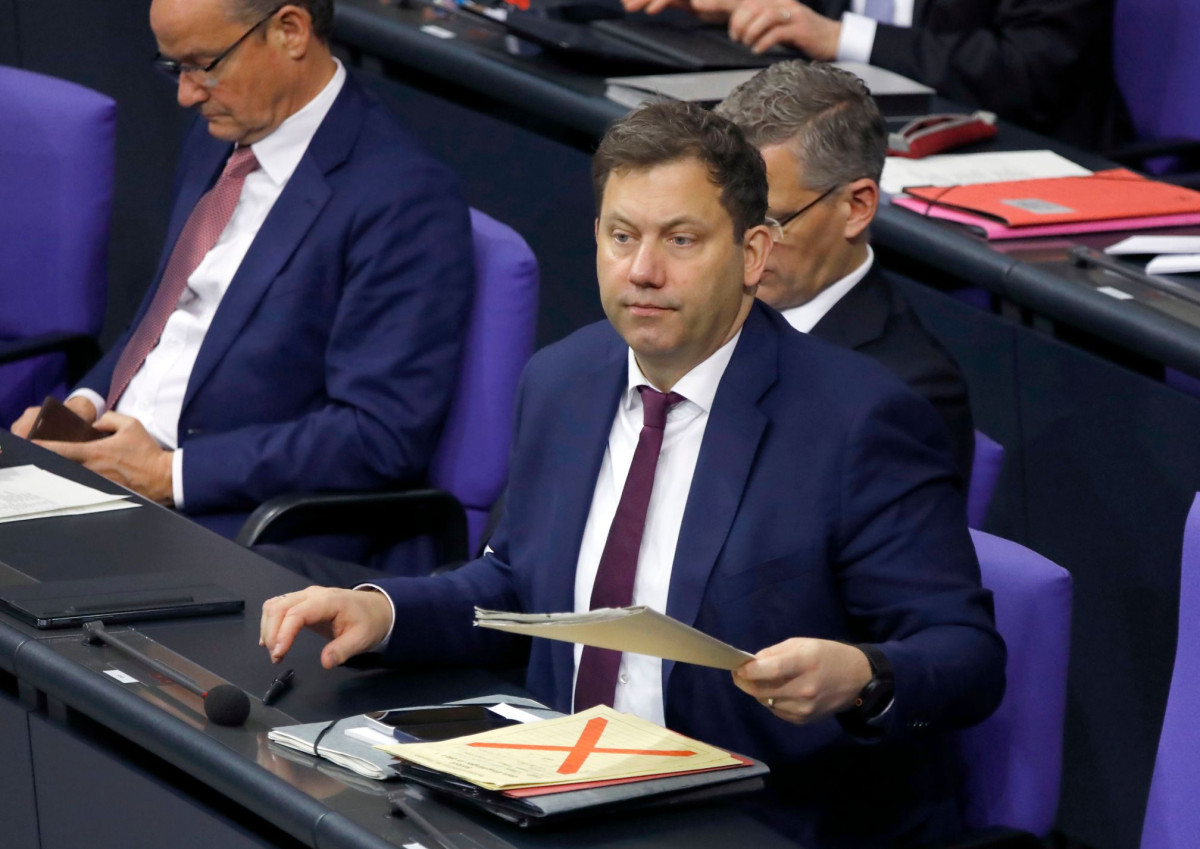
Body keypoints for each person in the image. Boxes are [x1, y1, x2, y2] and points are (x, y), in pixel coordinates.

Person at [259, 103, 1005, 846]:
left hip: (753, 814)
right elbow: (520, 586)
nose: (643, 271)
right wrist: (386, 611)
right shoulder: (563, 379)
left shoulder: (858, 421)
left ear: (751, 253)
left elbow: (966, 656)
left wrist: (864, 674)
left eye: (680, 239)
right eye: (623, 237)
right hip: (556, 790)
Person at [10, 0, 474, 551]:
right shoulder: (221, 134)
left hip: (238, 524)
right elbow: (161, 320)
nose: (186, 94)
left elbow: (378, 435)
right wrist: (86, 404)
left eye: (204, 64)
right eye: (175, 67)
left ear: (289, 31)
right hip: (114, 472)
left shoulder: (402, 199)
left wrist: (169, 474)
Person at [715, 60, 974, 482]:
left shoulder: (906, 393)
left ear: (856, 207)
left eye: (771, 221)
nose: (742, 248)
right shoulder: (690, 315)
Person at [622, 0, 1126, 150]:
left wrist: (840, 38)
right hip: (839, 130)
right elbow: (801, 12)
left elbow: (1023, 70)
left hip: (1017, 149)